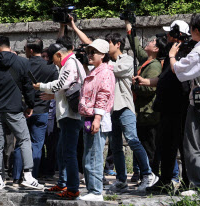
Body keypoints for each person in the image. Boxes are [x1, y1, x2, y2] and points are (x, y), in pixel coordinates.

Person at [70, 17, 158, 192]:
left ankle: (148, 174)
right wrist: (73, 26)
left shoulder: (125, 61)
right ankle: (121, 180)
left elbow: (110, 69)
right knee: (115, 146)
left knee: (133, 140)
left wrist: (98, 60)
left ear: (117, 44)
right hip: (108, 112)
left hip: (124, 107)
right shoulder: (100, 65)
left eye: (107, 44)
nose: (92, 54)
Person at [135, 20, 192, 191]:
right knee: (165, 146)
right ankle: (164, 182)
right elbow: (163, 79)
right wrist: (145, 81)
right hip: (166, 108)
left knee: (183, 146)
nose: (166, 36)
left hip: (179, 108)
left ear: (178, 35)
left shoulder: (185, 53)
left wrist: (174, 55)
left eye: (170, 33)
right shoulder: (170, 54)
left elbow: (180, 75)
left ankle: (187, 182)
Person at [0, 36, 42, 191]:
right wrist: (30, 104)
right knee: (24, 140)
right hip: (15, 109)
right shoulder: (22, 62)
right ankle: (27, 175)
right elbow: (28, 86)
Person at [171, 13, 200, 190]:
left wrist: (172, 56)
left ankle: (198, 186)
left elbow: (180, 71)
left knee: (193, 147)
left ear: (196, 30)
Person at [34, 41, 85, 199]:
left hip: (71, 115)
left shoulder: (70, 63)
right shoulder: (71, 62)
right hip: (67, 115)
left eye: (53, 60)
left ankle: (73, 188)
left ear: (59, 55)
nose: (53, 64)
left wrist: (41, 86)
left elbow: (62, 84)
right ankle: (63, 183)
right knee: (62, 151)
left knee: (68, 153)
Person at [9, 38, 58, 182]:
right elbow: (56, 87)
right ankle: (32, 176)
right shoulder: (50, 67)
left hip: (23, 109)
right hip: (42, 109)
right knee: (37, 144)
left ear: (30, 50)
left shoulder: (21, 64)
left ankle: (17, 176)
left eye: (25, 48)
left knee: (20, 143)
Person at [78, 39, 116, 201]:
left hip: (96, 117)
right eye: (88, 52)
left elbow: (103, 95)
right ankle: (92, 189)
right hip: (89, 117)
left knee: (94, 153)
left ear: (103, 54)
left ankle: (96, 191)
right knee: (88, 152)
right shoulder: (96, 71)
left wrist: (98, 118)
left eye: (93, 52)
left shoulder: (105, 72)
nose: (89, 55)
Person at [126, 19, 163, 181]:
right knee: (145, 146)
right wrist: (128, 24)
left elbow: (150, 89)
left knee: (149, 148)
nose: (149, 41)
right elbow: (136, 46)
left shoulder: (154, 66)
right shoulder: (146, 61)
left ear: (156, 49)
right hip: (142, 113)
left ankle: (151, 177)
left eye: (153, 41)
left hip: (149, 114)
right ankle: (146, 176)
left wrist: (133, 86)